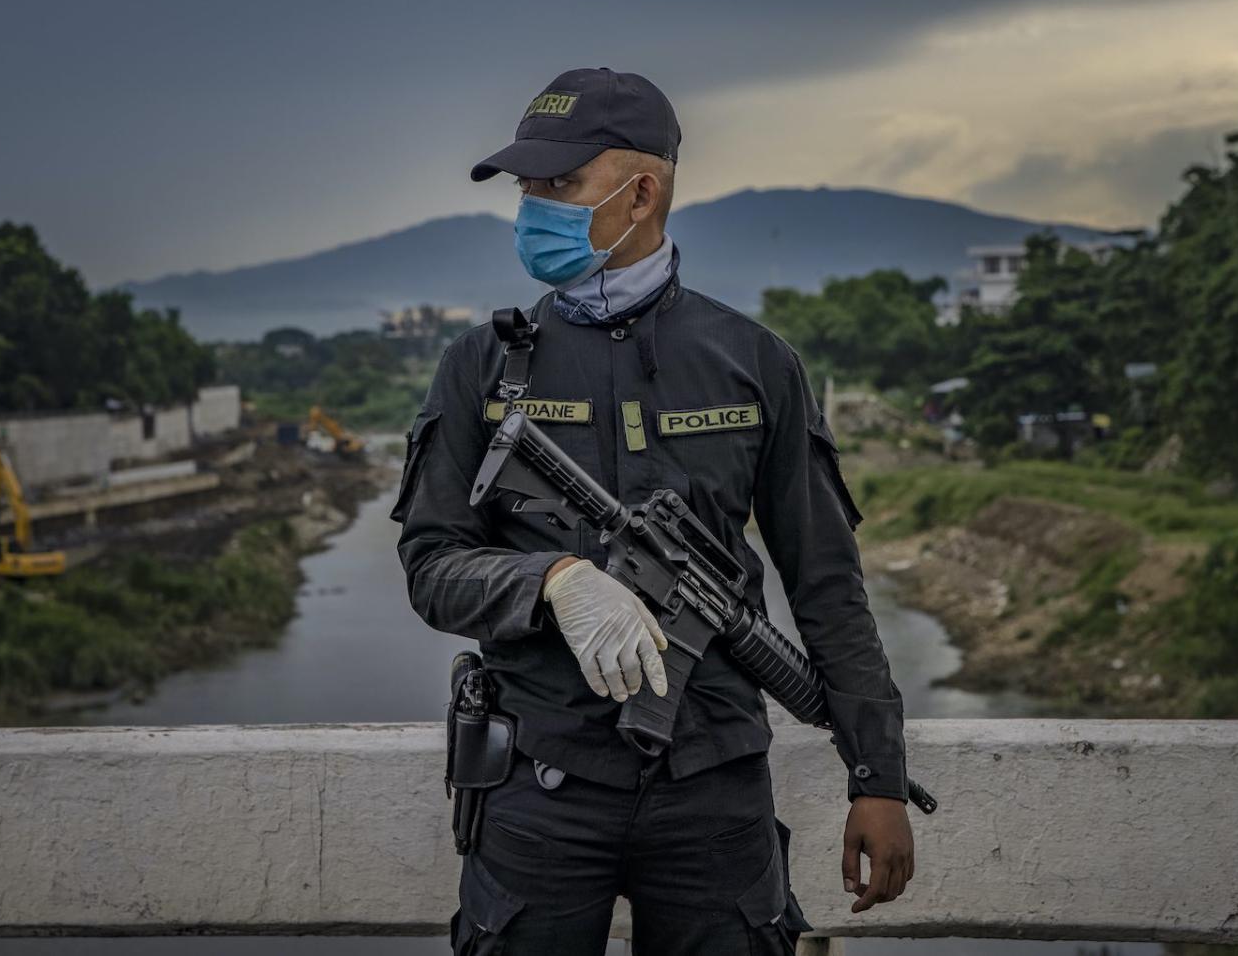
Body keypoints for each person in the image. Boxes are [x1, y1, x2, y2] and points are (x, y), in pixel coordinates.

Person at [391, 67, 913, 956]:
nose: (534, 206)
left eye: (560, 183)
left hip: (715, 790)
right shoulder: (482, 366)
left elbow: (826, 582)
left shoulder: (754, 363)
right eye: (528, 185)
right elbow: (433, 564)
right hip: (537, 786)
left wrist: (879, 777)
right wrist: (549, 580)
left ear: (643, 192)